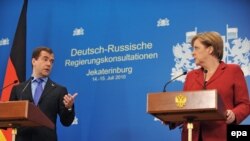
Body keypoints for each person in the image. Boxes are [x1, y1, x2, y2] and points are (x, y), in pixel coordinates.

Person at [169, 31, 250, 141]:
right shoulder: (191, 76)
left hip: (221, 135)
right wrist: (171, 118)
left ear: (210, 49)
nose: (193, 53)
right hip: (192, 136)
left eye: (196, 48)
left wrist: (234, 115)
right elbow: (185, 108)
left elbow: (245, 104)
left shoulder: (233, 71)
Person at [9, 46, 77, 141]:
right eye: (45, 59)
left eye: (51, 61)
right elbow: (10, 118)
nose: (49, 64)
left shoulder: (59, 90)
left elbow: (66, 122)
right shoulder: (19, 89)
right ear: (34, 61)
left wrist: (68, 107)